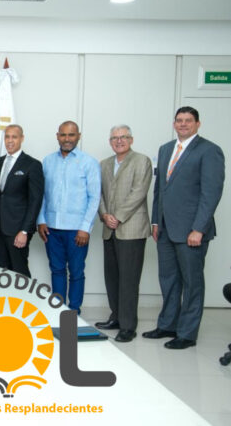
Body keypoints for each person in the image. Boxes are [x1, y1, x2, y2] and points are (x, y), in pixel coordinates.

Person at [143, 106, 225, 349]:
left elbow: (211, 193)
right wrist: (156, 221)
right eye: (179, 120)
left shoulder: (209, 150)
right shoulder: (166, 149)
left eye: (189, 120)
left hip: (191, 231)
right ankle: (168, 325)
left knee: (192, 283)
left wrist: (199, 228)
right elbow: (160, 189)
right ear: (174, 123)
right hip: (165, 229)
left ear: (198, 124)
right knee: (168, 279)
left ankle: (187, 334)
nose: (183, 124)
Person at [95, 125, 152, 342]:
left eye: (123, 137)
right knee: (112, 277)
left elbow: (139, 192)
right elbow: (98, 193)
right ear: (110, 141)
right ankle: (116, 317)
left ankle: (128, 326)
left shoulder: (142, 161)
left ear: (131, 139)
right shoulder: (104, 164)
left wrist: (117, 216)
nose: (119, 141)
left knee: (129, 279)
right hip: (109, 228)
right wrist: (104, 214)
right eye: (114, 138)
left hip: (131, 229)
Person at [37, 121, 100, 313]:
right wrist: (41, 220)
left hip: (76, 230)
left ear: (78, 136)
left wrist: (85, 228)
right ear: (57, 136)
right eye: (63, 135)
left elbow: (94, 197)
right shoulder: (48, 161)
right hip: (51, 228)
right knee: (56, 270)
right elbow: (41, 194)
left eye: (71, 135)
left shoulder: (89, 162)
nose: (67, 139)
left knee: (76, 272)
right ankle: (58, 311)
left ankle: (73, 312)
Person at [0, 125, 44, 277]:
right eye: (7, 137)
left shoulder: (32, 164)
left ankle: (24, 295)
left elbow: (35, 201)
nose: (10, 141)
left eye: (14, 137)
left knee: (19, 272)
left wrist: (25, 231)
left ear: (22, 138)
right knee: (1, 272)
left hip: (18, 229)